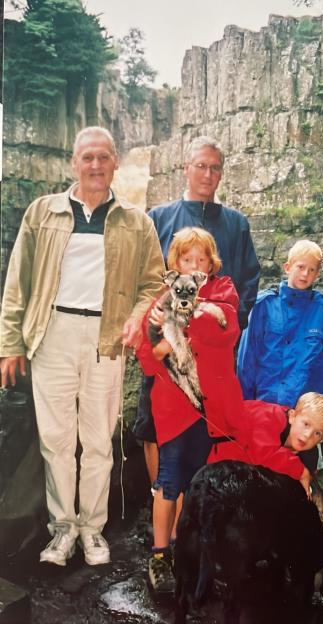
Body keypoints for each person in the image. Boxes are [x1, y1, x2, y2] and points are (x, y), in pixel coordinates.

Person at [0, 126, 165, 567]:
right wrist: (10, 344)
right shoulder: (43, 212)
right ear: (75, 163)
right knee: (55, 440)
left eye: (104, 158)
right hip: (52, 333)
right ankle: (61, 530)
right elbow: (17, 282)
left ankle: (92, 530)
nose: (95, 165)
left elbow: (154, 284)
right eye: (87, 157)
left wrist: (136, 317)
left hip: (105, 339)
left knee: (96, 441)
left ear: (115, 163)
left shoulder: (137, 222)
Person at [134, 135, 261, 483]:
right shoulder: (158, 218)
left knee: (212, 425)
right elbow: (142, 279)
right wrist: (151, 323)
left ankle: (200, 509)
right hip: (164, 347)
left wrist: (227, 328)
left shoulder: (236, 224)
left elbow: (250, 280)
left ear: (221, 174)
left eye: (215, 167)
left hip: (214, 352)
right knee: (154, 426)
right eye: (201, 166)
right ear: (186, 169)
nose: (208, 174)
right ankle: (161, 508)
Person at [136, 227, 245, 592]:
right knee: (169, 481)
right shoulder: (162, 296)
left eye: (201, 259)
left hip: (213, 407)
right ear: (176, 263)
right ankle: (160, 554)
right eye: (187, 259)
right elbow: (146, 354)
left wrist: (178, 327)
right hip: (174, 407)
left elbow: (226, 329)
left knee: (202, 482)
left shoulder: (224, 291)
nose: (195, 264)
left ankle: (190, 548)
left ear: (210, 264)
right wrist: (162, 345)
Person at [238, 239, 323, 408]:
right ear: (288, 267)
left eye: (312, 270)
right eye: (301, 267)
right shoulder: (264, 306)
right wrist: (244, 403)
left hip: (307, 407)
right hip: (266, 400)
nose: (305, 274)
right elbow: (247, 357)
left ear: (317, 274)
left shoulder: (322, 310)